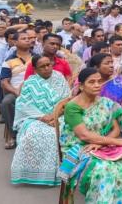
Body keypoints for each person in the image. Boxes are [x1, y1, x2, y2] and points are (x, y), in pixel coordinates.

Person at [58, 68, 122, 203]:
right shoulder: (72, 107)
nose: (97, 85)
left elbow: (116, 129)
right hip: (78, 147)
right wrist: (115, 142)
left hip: (100, 144)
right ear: (82, 86)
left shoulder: (105, 102)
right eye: (91, 82)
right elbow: (84, 135)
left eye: (99, 81)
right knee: (104, 169)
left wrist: (101, 143)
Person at [10, 55, 71, 185]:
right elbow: (23, 105)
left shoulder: (59, 78)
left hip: (60, 116)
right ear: (35, 69)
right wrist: (43, 117)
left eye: (49, 65)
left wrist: (55, 116)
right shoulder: (30, 83)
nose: (47, 68)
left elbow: (67, 100)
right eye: (42, 67)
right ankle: (35, 173)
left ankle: (62, 172)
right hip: (36, 118)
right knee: (35, 133)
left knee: (64, 132)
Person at [0, 30, 33, 149]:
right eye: (24, 39)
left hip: (35, 90)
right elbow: (4, 82)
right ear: (15, 42)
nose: (28, 40)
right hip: (16, 91)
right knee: (6, 102)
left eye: (29, 38)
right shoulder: (8, 61)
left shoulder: (37, 58)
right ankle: (14, 135)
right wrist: (15, 91)